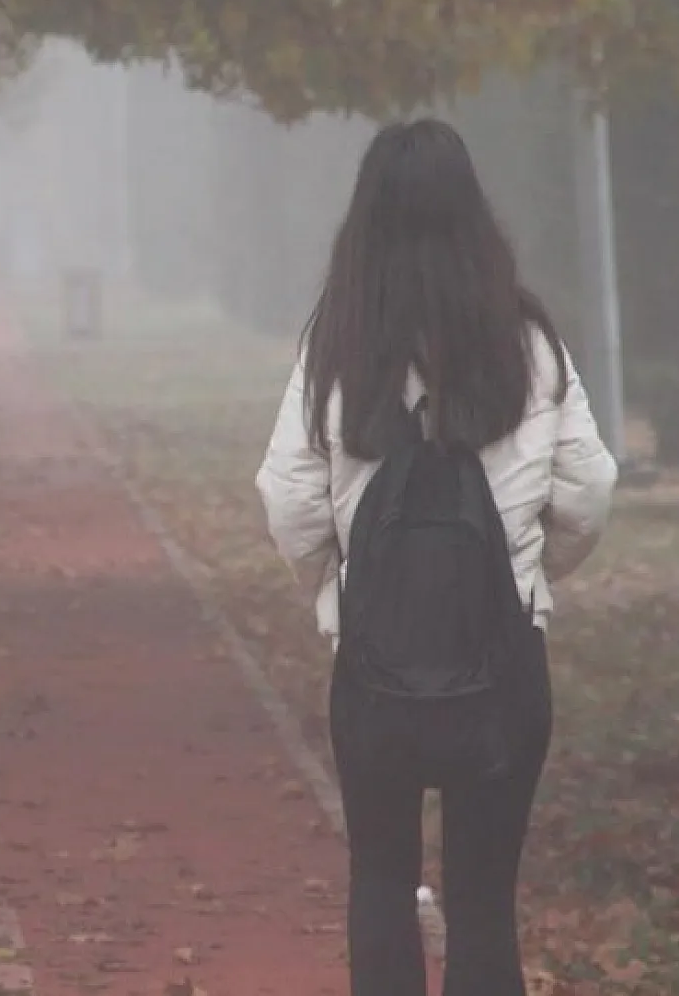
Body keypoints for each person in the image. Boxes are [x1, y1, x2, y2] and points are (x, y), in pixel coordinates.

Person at [254, 119, 617, 996]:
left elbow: (289, 498)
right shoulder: (528, 341)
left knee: (379, 883)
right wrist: (529, 576)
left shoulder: (335, 342)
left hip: (374, 669)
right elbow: (590, 487)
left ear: (366, 219)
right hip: (504, 664)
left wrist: (337, 592)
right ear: (474, 218)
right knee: (485, 901)